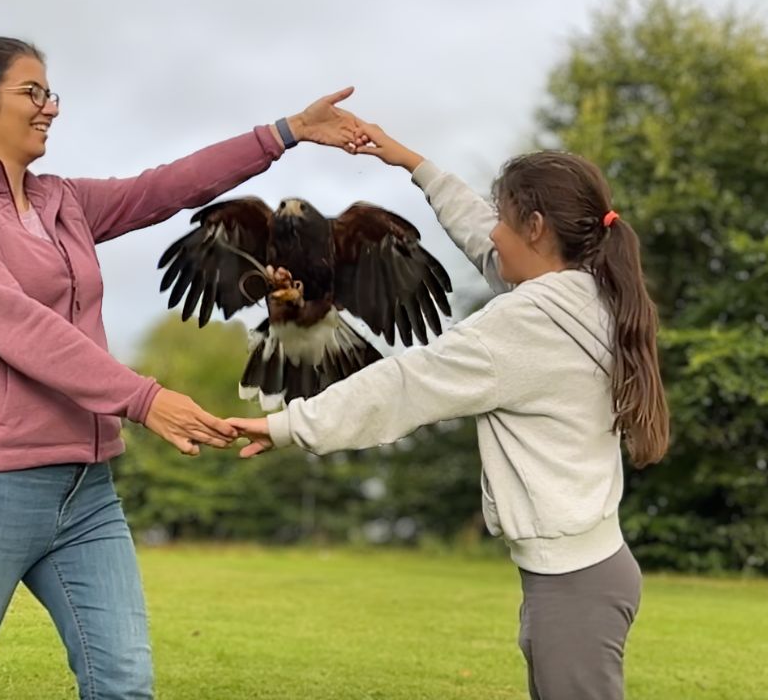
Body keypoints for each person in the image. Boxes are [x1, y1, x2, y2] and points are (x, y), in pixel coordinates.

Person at [0, 35, 359, 700]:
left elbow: (166, 186)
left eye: (51, 93)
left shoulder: (63, 202)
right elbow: (17, 325)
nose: (50, 107)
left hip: (86, 494)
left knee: (123, 685)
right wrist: (143, 397)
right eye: (32, 92)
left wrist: (287, 132)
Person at [228, 122, 671, 700]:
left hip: (573, 586)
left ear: (535, 230)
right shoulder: (588, 289)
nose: (492, 233)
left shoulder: (527, 323)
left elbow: (407, 385)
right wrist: (413, 163)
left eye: (503, 220)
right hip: (587, 572)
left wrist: (289, 425)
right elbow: (485, 242)